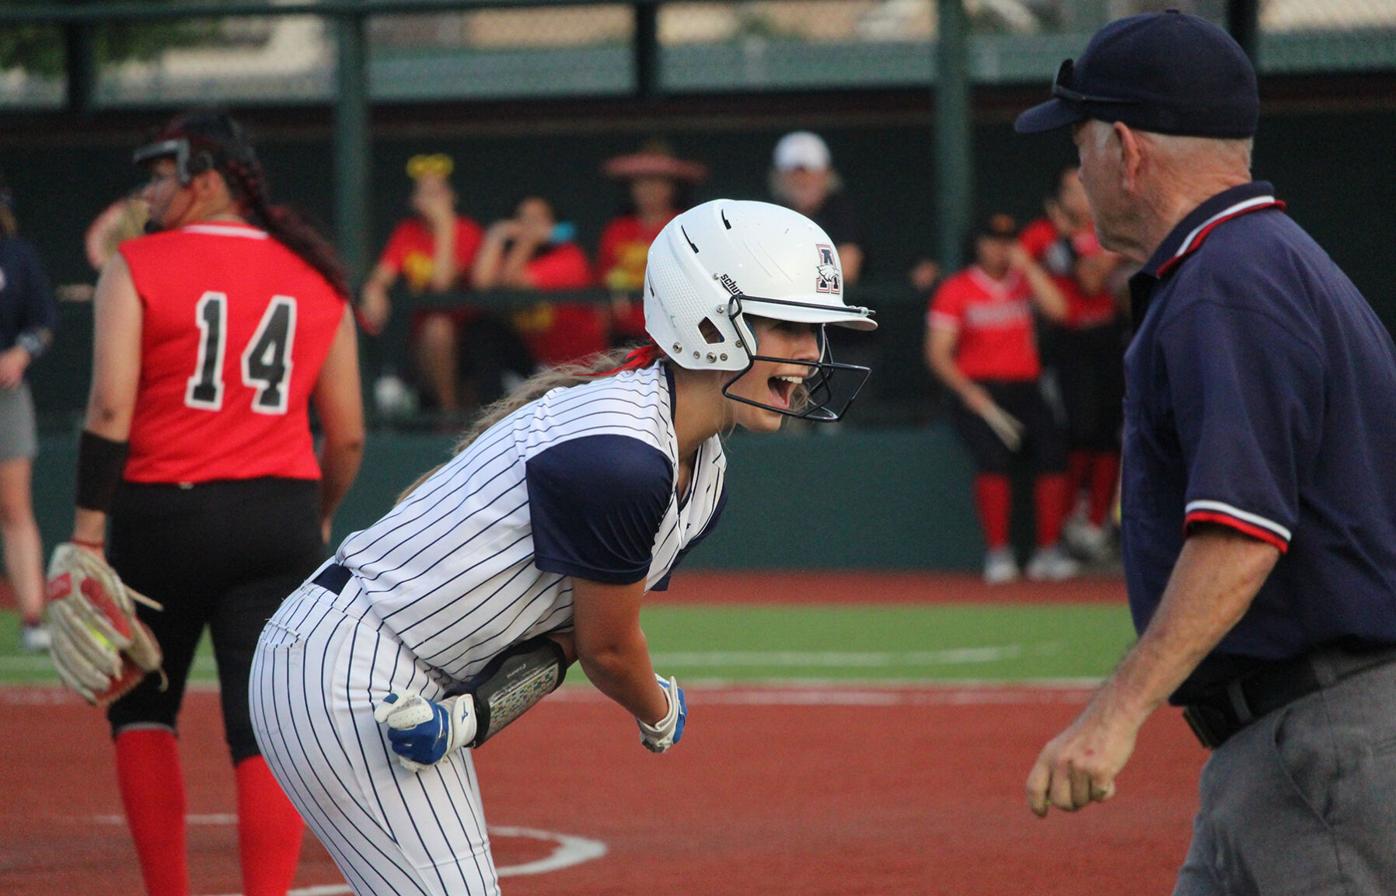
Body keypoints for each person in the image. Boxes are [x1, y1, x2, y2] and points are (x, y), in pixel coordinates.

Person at [248, 199, 877, 895]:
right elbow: (610, 650)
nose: (813, 353)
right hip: (346, 663)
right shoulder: (624, 453)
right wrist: (657, 708)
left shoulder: (701, 470)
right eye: (790, 326)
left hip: (396, 670)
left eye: (816, 331)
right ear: (706, 319)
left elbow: (573, 635)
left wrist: (476, 711)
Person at [1016, 13, 1396, 895]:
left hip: (1322, 747)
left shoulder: (1227, 283)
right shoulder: (1268, 260)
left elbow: (1241, 532)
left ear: (1125, 148)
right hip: (1287, 747)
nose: (1076, 173)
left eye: (1079, 146)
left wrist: (1115, 715)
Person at [60, 110, 365, 896]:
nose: (151, 191)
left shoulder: (137, 264)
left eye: (162, 176)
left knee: (142, 712)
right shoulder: (316, 273)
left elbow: (107, 411)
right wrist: (318, 514)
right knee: (265, 725)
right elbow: (350, 436)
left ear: (204, 179)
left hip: (162, 514)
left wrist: (87, 535)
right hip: (279, 516)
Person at [924, 213, 1079, 584]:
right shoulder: (957, 288)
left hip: (1025, 388)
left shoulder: (1025, 283)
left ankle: (1047, 551)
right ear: (978, 244)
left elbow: (1060, 311)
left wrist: (1030, 269)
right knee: (993, 460)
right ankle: (999, 553)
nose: (1001, 248)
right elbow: (937, 352)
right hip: (979, 390)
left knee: (1054, 454)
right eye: (993, 240)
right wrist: (967, 391)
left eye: (1008, 240)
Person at [1020, 166, 1126, 561]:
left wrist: (1075, 245)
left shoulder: (1109, 226)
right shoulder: (1039, 235)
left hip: (1108, 339)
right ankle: (1071, 520)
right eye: (1069, 190)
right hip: (1065, 345)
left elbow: (1094, 279)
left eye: (1083, 187)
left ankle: (1097, 521)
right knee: (1074, 432)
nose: (1077, 197)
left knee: (1107, 433)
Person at [359, 153, 487, 415]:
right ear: (414, 202)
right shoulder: (408, 231)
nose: (432, 202)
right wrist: (374, 290)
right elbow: (381, 276)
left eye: (437, 193)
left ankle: (449, 413)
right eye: (425, 194)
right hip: (420, 341)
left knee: (439, 327)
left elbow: (442, 283)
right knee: (432, 329)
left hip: (471, 338)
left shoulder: (466, 229)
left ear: (452, 197)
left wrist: (443, 224)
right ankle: (442, 410)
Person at [0, 172, 58, 652]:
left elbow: (43, 323)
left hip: (6, 395)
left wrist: (20, 353)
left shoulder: (17, 255)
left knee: (15, 508)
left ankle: (33, 618)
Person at [597, 140, 707, 344]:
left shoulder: (683, 225)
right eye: (640, 183)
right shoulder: (617, 229)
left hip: (676, 333)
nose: (647, 190)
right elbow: (603, 281)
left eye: (656, 182)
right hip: (624, 334)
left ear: (673, 187)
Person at [472, 195, 597, 369]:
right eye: (524, 219)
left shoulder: (569, 255)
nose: (530, 225)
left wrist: (527, 239)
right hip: (534, 362)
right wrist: (496, 236)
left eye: (538, 219)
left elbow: (513, 282)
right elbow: (481, 284)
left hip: (577, 365)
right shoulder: (516, 257)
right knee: (483, 330)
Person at [769, 131, 864, 284]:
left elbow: (847, 270)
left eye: (810, 172)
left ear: (826, 175)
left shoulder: (840, 211)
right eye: (793, 173)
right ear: (778, 178)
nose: (802, 180)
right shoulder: (769, 214)